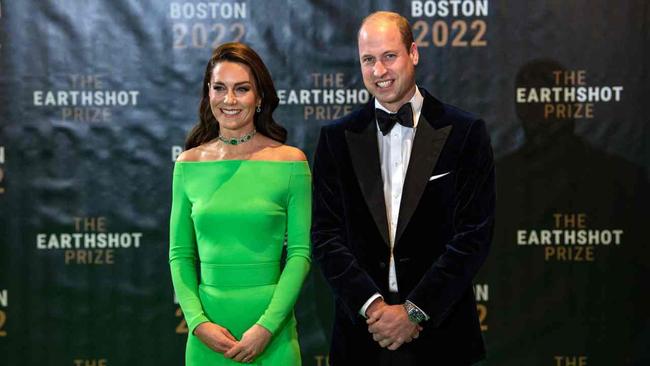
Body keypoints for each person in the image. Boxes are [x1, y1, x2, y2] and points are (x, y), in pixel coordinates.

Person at [311, 11, 495, 365]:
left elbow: (474, 234)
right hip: (362, 335)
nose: (379, 71)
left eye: (389, 56)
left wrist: (414, 311)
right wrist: (374, 307)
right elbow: (325, 235)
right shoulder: (335, 140)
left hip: (442, 335)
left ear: (413, 53)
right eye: (368, 60)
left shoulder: (466, 132)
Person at [169, 42, 311, 365]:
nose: (229, 100)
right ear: (208, 93)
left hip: (272, 338)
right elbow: (180, 255)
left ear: (259, 97)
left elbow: (300, 254)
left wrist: (267, 327)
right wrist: (198, 323)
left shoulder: (291, 163)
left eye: (242, 89)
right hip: (208, 340)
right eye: (219, 88)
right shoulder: (187, 164)